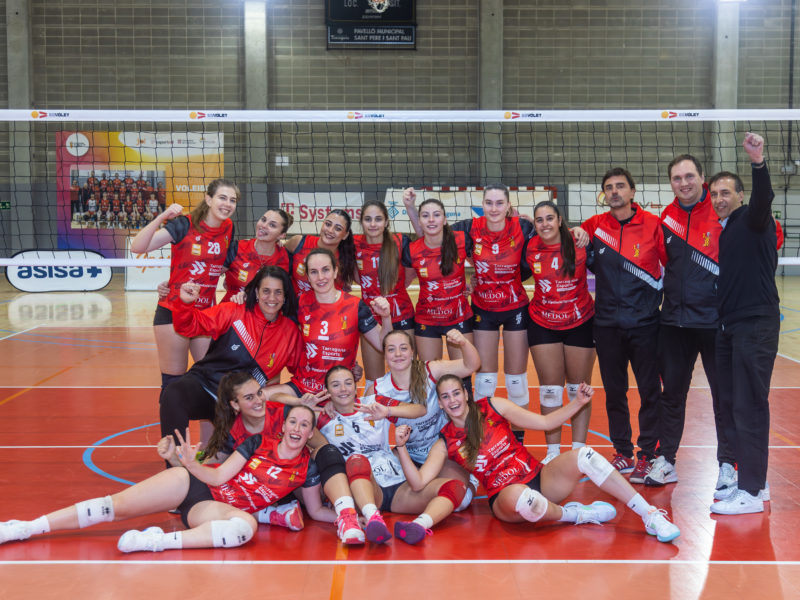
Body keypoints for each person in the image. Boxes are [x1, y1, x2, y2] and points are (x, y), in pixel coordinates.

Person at [0, 405, 328, 553]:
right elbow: (218, 477)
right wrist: (188, 464)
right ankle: (26, 527)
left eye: (305, 425)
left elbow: (316, 511)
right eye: (293, 422)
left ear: (311, 433)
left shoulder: (307, 468)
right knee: (114, 506)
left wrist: (349, 515)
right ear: (283, 426)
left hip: (215, 509)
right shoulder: (258, 443)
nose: (297, 429)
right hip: (196, 483)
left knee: (244, 528)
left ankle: (154, 541)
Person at [400, 375, 680, 543]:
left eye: (456, 393)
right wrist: (401, 447)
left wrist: (578, 403)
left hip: (538, 477)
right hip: (505, 495)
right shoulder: (446, 441)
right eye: (445, 397)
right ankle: (578, 515)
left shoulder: (493, 406)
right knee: (526, 500)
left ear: (466, 393)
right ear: (440, 402)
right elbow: (419, 482)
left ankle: (650, 516)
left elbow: (546, 423)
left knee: (586, 456)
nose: (452, 401)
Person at [646, 154, 728, 487]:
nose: (684, 183)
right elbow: (665, 261)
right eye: (677, 178)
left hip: (715, 322)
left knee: (724, 397)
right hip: (675, 323)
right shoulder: (667, 217)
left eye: (689, 176)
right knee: (672, 395)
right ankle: (666, 460)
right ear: (671, 183)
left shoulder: (722, 210)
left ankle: (729, 465)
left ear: (702, 177)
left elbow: (770, 235)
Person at [709, 132, 779, 515]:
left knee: (750, 406)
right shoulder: (728, 229)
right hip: (731, 327)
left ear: (740, 195)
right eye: (714, 194)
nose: (719, 198)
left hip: (754, 325)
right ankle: (757, 483)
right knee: (736, 403)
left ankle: (750, 492)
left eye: (726, 192)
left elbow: (763, 198)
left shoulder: (753, 219)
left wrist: (758, 162)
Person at [581, 168, 666, 483]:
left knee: (649, 392)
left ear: (632, 191)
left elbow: (674, 264)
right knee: (614, 393)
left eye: (620, 186)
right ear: (604, 194)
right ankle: (622, 453)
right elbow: (563, 236)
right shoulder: (594, 225)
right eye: (609, 187)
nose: (614, 191)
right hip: (606, 325)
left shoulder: (653, 225)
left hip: (646, 325)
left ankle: (648, 455)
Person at [317, 366, 465, 545]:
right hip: (364, 486)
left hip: (396, 484)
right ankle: (373, 517)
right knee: (357, 461)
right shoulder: (321, 417)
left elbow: (419, 409)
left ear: (356, 386)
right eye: (336, 385)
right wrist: (312, 405)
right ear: (327, 391)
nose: (343, 389)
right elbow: (294, 420)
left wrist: (387, 411)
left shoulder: (373, 403)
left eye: (348, 383)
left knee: (455, 487)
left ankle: (418, 526)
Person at [160, 266, 302, 449]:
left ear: (285, 296)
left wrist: (276, 396)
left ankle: (211, 456)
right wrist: (185, 304)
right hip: (206, 385)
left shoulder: (291, 333)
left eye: (278, 292)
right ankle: (175, 460)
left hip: (241, 403)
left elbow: (303, 372)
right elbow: (189, 326)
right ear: (256, 292)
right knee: (173, 394)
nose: (272, 298)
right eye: (266, 291)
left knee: (242, 454)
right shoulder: (234, 310)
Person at [435, 185, 537, 422]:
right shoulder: (469, 227)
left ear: (508, 206)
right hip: (483, 309)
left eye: (499, 203)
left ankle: (517, 436)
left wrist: (567, 228)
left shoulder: (523, 227)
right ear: (482, 205)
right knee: (485, 380)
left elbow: (552, 233)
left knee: (516, 381)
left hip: (515, 308)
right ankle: (483, 432)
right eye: (489, 203)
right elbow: (432, 232)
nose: (494, 208)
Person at [130, 179, 238, 399]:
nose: (227, 204)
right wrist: (162, 217)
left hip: (206, 313)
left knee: (213, 381)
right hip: (174, 310)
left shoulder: (228, 227)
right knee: (173, 382)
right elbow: (137, 247)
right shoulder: (184, 225)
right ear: (208, 199)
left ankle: (208, 424)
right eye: (222, 198)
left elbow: (220, 265)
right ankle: (172, 423)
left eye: (232, 200)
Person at [370, 328, 480, 507]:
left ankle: (471, 481)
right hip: (408, 453)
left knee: (459, 501)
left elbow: (471, 365)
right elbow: (358, 420)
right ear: (385, 354)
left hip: (442, 450)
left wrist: (464, 343)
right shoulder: (378, 389)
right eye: (391, 349)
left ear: (412, 351)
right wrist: (331, 405)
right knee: (376, 484)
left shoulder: (430, 370)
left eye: (403, 348)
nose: (398, 354)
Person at [523, 201, 595, 464]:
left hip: (580, 321)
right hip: (543, 323)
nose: (545, 224)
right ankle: (553, 453)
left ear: (560, 220)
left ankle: (579, 452)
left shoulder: (579, 243)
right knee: (550, 390)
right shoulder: (529, 247)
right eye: (539, 220)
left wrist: (581, 231)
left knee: (578, 390)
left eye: (550, 218)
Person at [267, 248, 392, 397]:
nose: (320, 277)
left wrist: (386, 317)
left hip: (339, 392)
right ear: (308, 276)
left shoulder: (355, 305)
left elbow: (384, 345)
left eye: (325, 270)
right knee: (259, 397)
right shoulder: (299, 303)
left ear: (335, 271)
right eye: (314, 272)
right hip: (304, 387)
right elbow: (275, 333)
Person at [401, 197, 474, 368]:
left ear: (445, 219)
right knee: (429, 375)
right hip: (427, 320)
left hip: (459, 316)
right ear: (419, 221)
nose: (431, 220)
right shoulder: (412, 250)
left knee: (462, 374)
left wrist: (474, 283)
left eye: (436, 215)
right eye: (425, 216)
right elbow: (403, 283)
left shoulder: (461, 240)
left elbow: (482, 265)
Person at [354, 199, 418, 389]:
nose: (373, 224)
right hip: (370, 320)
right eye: (368, 219)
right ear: (361, 222)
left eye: (378, 219)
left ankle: (410, 408)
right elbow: (355, 276)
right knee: (373, 381)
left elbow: (409, 275)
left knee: (408, 376)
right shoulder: (353, 245)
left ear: (386, 222)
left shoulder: (400, 242)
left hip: (402, 315)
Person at [221, 209, 292, 302]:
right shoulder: (236, 248)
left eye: (272, 225)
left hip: (267, 310)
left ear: (281, 235)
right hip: (231, 308)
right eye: (263, 220)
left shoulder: (286, 257)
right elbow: (211, 276)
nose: (264, 225)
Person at [285, 208, 358, 296]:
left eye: (338, 229)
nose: (330, 230)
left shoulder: (346, 259)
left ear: (345, 235)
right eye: (328, 224)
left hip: (328, 304)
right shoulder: (298, 242)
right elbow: (278, 258)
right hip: (296, 303)